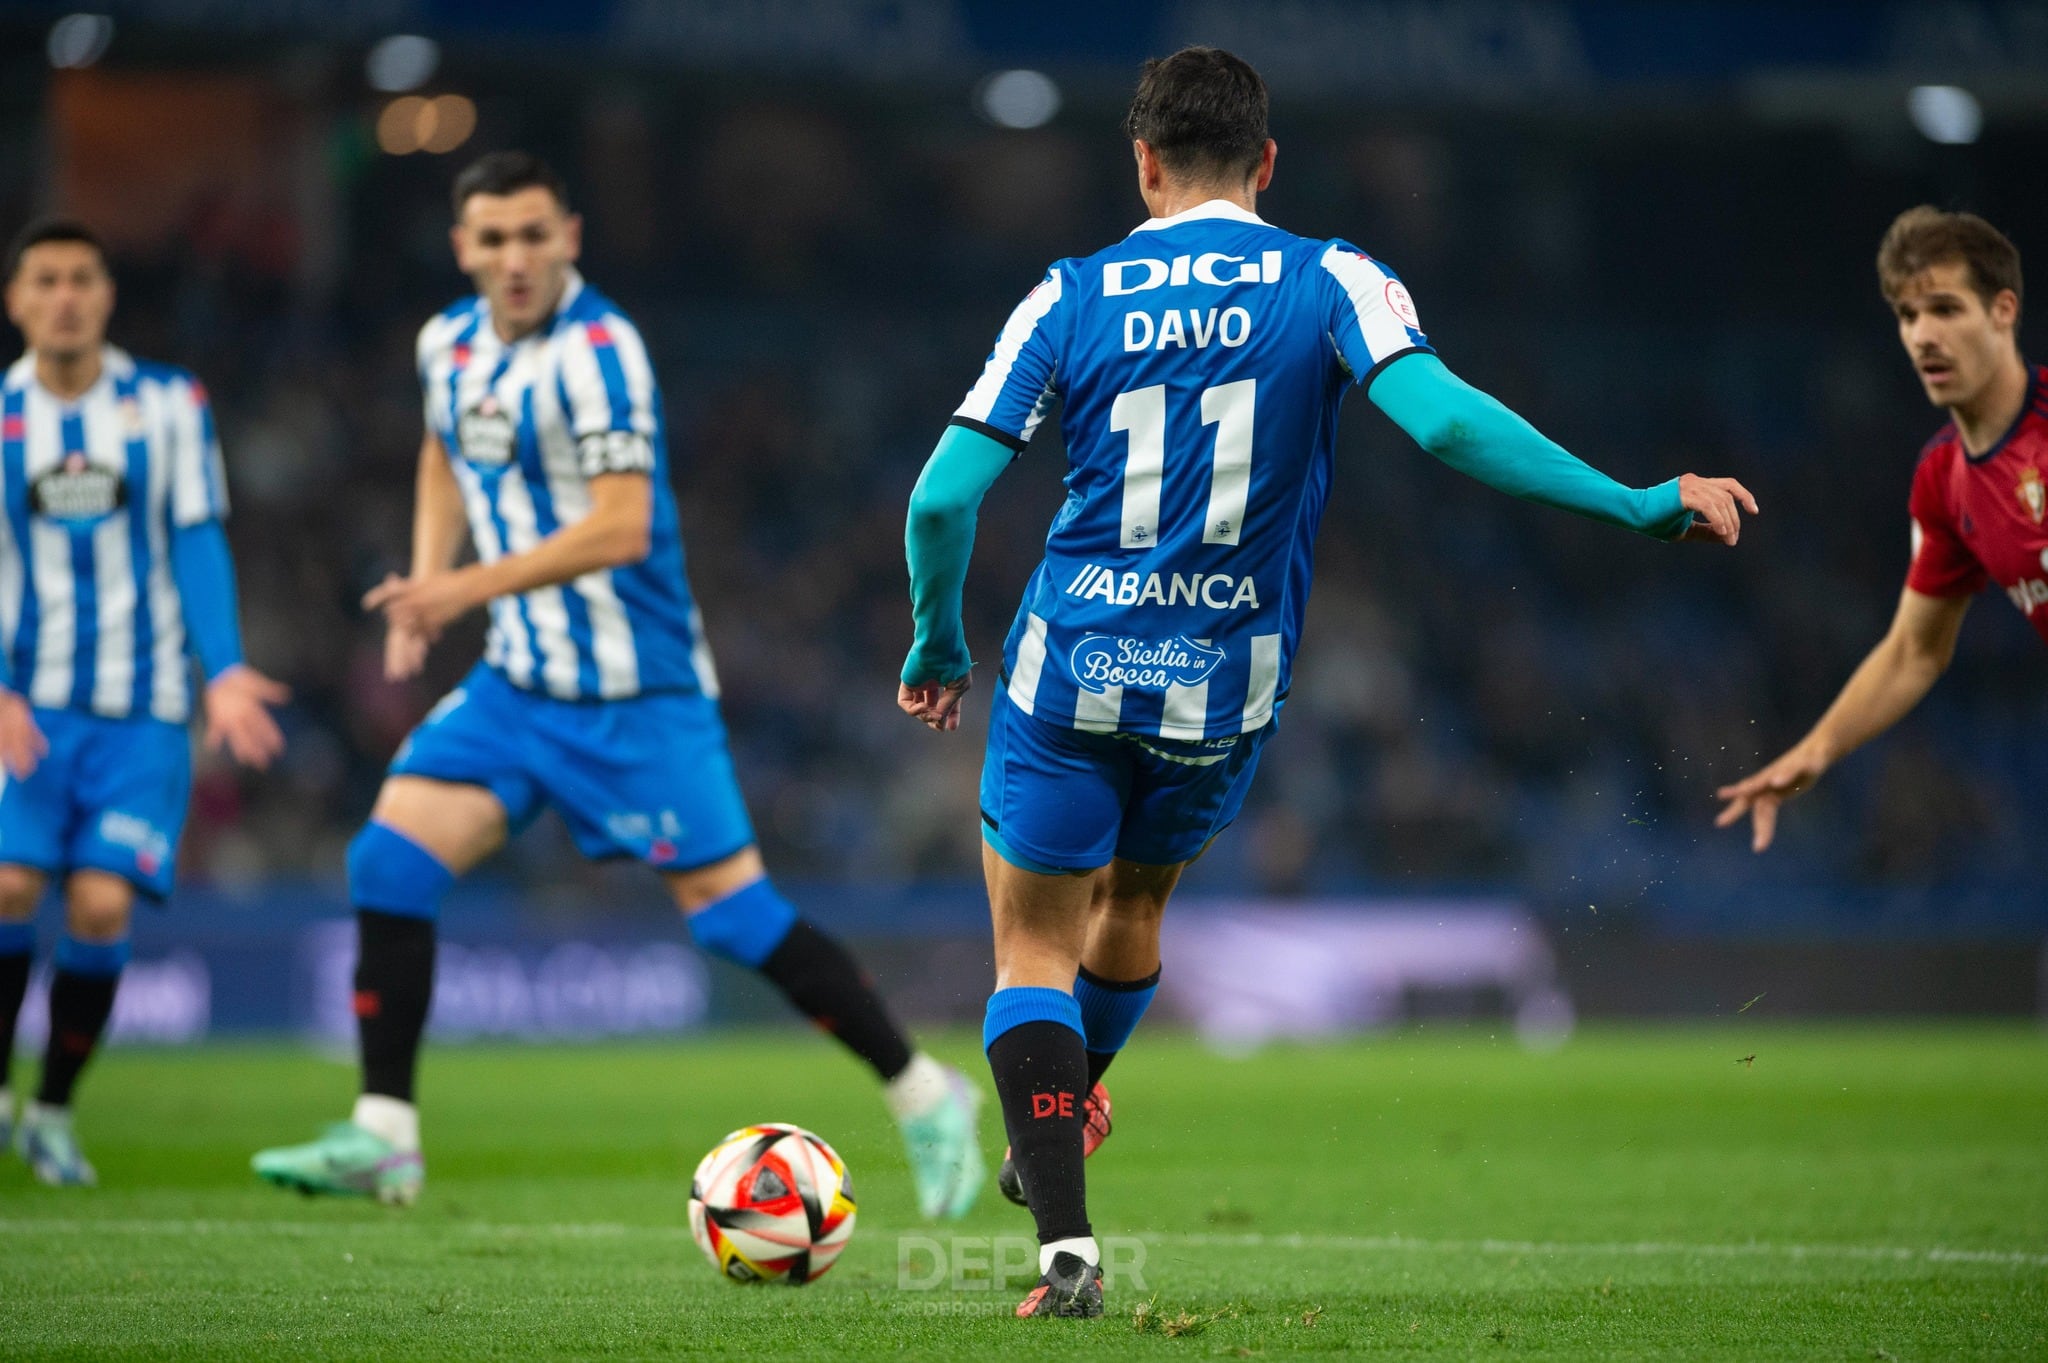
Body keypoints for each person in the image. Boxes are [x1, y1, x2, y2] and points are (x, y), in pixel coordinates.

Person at [898, 47, 1756, 1317]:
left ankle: (1065, 1249)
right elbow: (1449, 424)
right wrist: (1633, 504)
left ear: (1140, 166)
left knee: (1031, 942)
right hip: (1219, 687)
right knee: (1132, 907)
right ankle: (1071, 1099)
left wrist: (936, 644)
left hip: (1069, 668)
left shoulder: (1066, 297)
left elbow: (940, 498)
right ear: (1266, 163)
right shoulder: (1330, 277)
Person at [252, 151, 983, 1217]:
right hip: (516, 686)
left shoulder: (601, 353)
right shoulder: (444, 343)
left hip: (636, 695)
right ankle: (383, 1136)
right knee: (388, 862)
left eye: (533, 237)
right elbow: (442, 451)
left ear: (570, 239)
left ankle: (926, 1091)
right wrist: (424, 577)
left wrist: (460, 586)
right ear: (463, 248)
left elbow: (621, 523)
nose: (513, 259)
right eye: (492, 239)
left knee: (735, 922)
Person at [0, 219, 287, 1186]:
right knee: (5, 887)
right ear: (18, 301)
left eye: (83, 277)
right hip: (25, 704)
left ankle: (51, 1111)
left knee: (99, 898)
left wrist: (228, 669)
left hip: (144, 707)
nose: (66, 296)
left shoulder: (167, 403)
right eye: (46, 280)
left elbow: (199, 538)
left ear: (108, 295)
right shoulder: (0, 416)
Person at [1716, 208, 2041, 850]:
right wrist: (1813, 753)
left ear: (2003, 311)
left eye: (1946, 310)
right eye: (1908, 315)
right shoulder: (1945, 477)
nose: (1923, 336)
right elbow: (1916, 652)